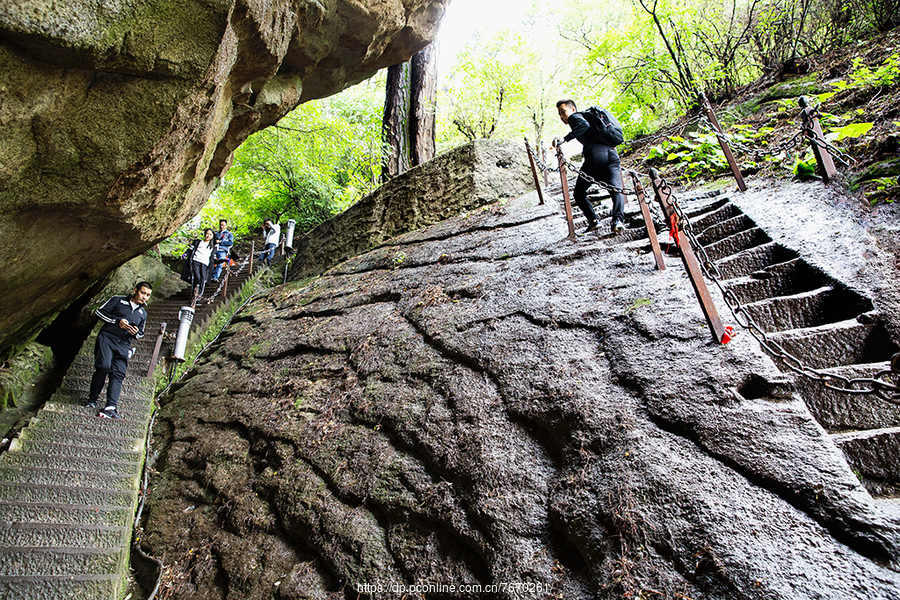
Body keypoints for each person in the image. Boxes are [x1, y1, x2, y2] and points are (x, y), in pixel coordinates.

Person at [552, 99, 626, 234]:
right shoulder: (591, 119)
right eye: (559, 114)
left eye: (563, 112)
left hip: (595, 154)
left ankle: (594, 221)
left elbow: (583, 125)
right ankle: (618, 221)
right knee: (616, 190)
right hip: (612, 154)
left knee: (579, 193)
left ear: (573, 109)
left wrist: (565, 139)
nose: (562, 117)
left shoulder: (575, 117)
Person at [85, 282, 152, 419]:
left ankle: (110, 407)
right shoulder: (118, 300)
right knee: (103, 366)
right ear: (135, 290)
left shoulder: (142, 313)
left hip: (124, 344)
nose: (144, 297)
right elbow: (99, 312)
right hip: (107, 338)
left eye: (148, 295)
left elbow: (141, 334)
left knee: (118, 373)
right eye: (143, 293)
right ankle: (92, 400)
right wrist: (117, 321)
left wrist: (135, 332)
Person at [180, 228, 216, 304]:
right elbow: (190, 249)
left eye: (210, 234)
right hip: (196, 260)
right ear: (204, 234)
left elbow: (213, 258)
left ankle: (198, 297)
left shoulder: (213, 247)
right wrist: (186, 254)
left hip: (205, 264)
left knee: (202, 280)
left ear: (212, 236)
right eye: (207, 234)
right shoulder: (198, 242)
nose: (208, 236)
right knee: (196, 277)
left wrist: (223, 260)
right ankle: (193, 295)